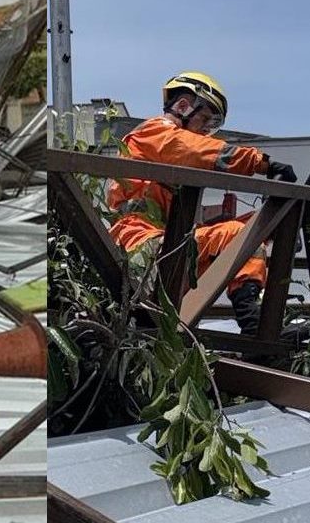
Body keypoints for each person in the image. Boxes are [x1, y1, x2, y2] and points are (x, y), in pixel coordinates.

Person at [106, 71, 297, 335]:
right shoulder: (152, 133)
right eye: (205, 119)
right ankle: (254, 324)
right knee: (236, 234)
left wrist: (271, 223)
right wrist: (262, 164)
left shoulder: (167, 154)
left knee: (251, 230)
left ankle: (258, 318)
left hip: (163, 249)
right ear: (183, 106)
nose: (206, 131)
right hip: (137, 248)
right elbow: (196, 150)